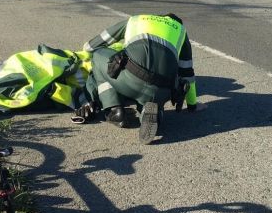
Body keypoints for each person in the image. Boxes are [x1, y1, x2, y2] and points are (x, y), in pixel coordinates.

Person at [77, 13, 199, 144]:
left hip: (131, 79)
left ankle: (113, 109)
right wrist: (192, 105)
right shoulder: (181, 31)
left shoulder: (136, 20)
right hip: (164, 88)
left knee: (97, 55)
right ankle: (155, 113)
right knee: (154, 93)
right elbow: (187, 73)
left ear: (160, 17)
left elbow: (90, 47)